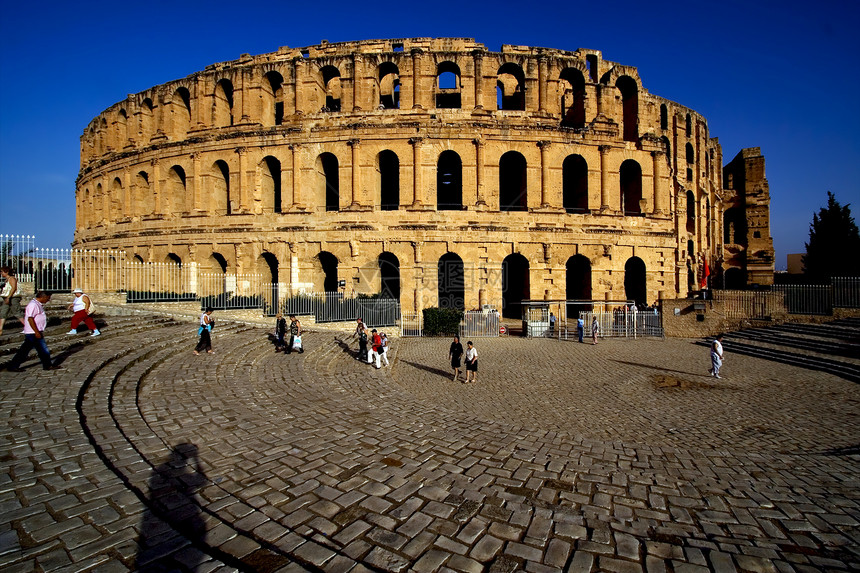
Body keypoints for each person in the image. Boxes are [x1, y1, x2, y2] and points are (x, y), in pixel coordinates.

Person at [6, 291, 61, 371]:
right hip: (33, 332)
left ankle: (47, 365)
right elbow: (30, 319)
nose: (48, 300)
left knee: (35, 350)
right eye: (48, 298)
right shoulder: (33, 305)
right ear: (42, 297)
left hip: (35, 331)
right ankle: (13, 366)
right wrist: (36, 332)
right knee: (38, 350)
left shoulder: (37, 304)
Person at [0, 266, 24, 335]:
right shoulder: (7, 280)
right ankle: (0, 329)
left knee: (17, 312)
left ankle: (28, 327)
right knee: (3, 312)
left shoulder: (12, 279)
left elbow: (13, 288)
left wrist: (8, 297)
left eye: (2, 271)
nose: (1, 273)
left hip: (13, 297)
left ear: (6, 272)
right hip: (7, 297)